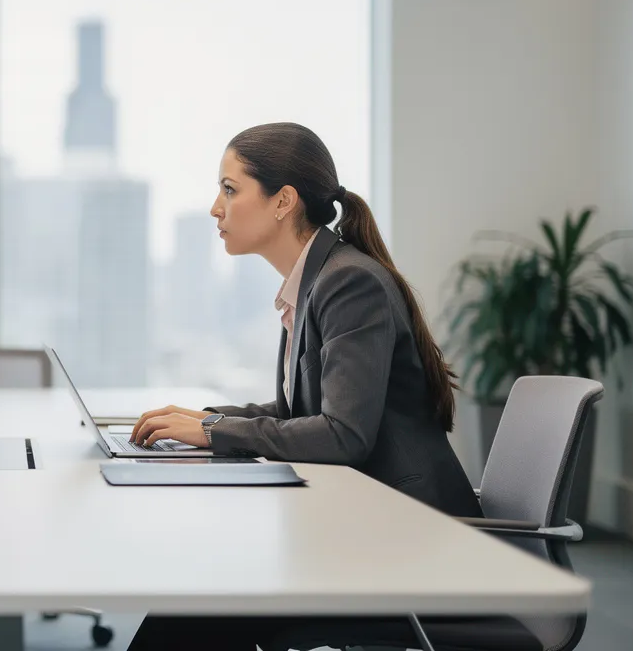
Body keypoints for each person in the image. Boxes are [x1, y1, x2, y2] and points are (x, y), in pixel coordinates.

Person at [127, 122, 482, 650]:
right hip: (364, 524)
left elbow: (343, 434)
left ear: (283, 201)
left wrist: (216, 430)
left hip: (409, 543)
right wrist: (200, 419)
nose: (214, 208)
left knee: (197, 604)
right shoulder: (315, 280)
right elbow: (298, 408)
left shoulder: (348, 281)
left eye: (229, 189)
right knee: (195, 599)